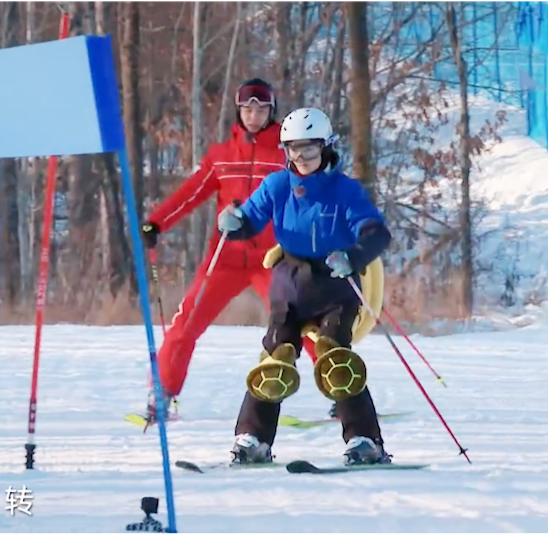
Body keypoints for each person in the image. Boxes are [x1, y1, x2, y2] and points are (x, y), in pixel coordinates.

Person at [216, 107, 393, 466]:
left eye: (309, 149)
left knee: (336, 357)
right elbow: (249, 221)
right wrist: (233, 222)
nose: (301, 157)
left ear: (325, 147)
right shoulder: (278, 185)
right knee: (275, 358)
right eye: (293, 149)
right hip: (290, 284)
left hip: (335, 286)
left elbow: (377, 233)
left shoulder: (344, 190)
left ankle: (365, 440)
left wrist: (353, 256)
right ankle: (253, 439)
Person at [140, 78, 316, 422]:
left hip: (273, 258)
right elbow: (191, 193)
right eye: (248, 108)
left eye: (261, 109)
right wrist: (157, 223)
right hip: (225, 257)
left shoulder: (285, 155)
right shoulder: (222, 157)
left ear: (271, 111)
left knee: (304, 320)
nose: (254, 115)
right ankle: (161, 394)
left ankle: (342, 390)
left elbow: (312, 195)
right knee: (185, 322)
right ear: (239, 111)